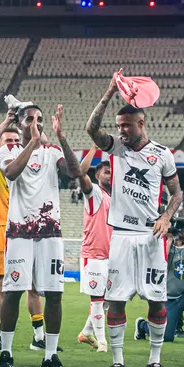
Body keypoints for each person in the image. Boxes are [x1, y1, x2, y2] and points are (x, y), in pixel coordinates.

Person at [86, 69, 183, 367]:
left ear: (142, 123)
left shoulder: (162, 155)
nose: (122, 131)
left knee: (156, 299)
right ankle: (117, 362)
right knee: (115, 300)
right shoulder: (117, 149)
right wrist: (110, 91)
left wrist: (166, 216)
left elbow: (177, 193)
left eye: (126, 125)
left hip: (151, 237)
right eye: (118, 127)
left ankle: (154, 361)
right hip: (122, 238)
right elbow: (91, 128)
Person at [0, 103, 80, 367]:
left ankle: (50, 357)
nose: (36, 122)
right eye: (30, 119)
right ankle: (6, 353)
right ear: (19, 124)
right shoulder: (8, 150)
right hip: (19, 232)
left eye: (40, 119)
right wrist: (31, 143)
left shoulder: (53, 152)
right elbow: (11, 173)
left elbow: (75, 172)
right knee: (13, 292)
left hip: (50, 232)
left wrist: (62, 137)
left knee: (54, 295)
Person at [0, 109, 46, 352]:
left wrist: (32, 129)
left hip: (27, 227)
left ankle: (39, 337)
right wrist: (7, 121)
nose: (14, 144)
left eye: (16, 141)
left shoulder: (27, 161)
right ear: (0, 145)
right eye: (8, 141)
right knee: (1, 286)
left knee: (34, 285)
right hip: (1, 228)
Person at [138, 226, 184, 343]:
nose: (180, 234)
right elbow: (162, 260)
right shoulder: (166, 247)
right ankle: (142, 325)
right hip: (167, 298)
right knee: (166, 337)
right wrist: (169, 240)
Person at [74, 146, 111, 353]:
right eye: (106, 172)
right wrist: (95, 149)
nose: (111, 175)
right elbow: (80, 172)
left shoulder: (111, 198)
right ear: (97, 175)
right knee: (97, 299)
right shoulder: (95, 193)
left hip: (108, 256)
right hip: (94, 255)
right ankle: (102, 342)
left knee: (108, 299)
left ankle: (86, 332)